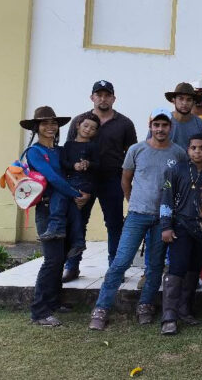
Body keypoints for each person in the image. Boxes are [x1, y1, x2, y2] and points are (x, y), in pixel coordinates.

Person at [88, 108, 187, 331]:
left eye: (164, 125)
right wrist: (132, 200)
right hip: (137, 215)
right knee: (120, 262)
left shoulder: (178, 153)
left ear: (170, 127)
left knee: (154, 266)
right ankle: (101, 308)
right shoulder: (136, 149)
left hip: (163, 218)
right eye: (156, 125)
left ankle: (145, 305)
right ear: (150, 126)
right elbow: (126, 179)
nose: (160, 129)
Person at [22, 107, 90, 326]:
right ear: (36, 127)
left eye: (53, 123)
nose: (50, 127)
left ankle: (53, 302)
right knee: (52, 261)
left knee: (60, 258)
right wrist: (75, 194)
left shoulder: (60, 151)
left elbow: (71, 171)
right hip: (47, 210)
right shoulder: (34, 152)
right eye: (44, 123)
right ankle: (39, 312)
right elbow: (51, 177)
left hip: (66, 209)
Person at [63, 80, 137, 282]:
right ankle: (72, 265)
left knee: (114, 224)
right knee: (78, 222)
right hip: (82, 181)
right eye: (99, 95)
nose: (103, 99)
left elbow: (132, 155)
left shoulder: (124, 123)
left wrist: (129, 182)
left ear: (113, 98)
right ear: (92, 97)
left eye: (107, 95)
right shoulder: (80, 120)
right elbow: (69, 149)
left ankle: (115, 268)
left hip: (112, 179)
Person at [159, 134, 202, 335]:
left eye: (201, 148)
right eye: (193, 147)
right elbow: (166, 199)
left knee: (194, 269)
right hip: (181, 227)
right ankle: (168, 316)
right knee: (177, 268)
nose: (197, 151)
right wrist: (166, 226)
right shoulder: (176, 171)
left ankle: (185, 309)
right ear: (188, 150)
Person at [60, 112, 101, 259]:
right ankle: (76, 243)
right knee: (73, 213)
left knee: (78, 213)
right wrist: (74, 165)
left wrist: (88, 164)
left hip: (85, 183)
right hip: (70, 182)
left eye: (93, 128)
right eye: (85, 125)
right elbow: (63, 163)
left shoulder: (93, 146)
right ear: (78, 126)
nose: (88, 129)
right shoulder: (68, 145)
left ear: (96, 132)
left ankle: (77, 243)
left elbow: (98, 165)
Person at [161, 82, 202, 147]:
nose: (184, 103)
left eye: (189, 100)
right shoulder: (161, 123)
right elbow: (150, 149)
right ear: (173, 100)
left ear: (193, 102)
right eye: (181, 98)